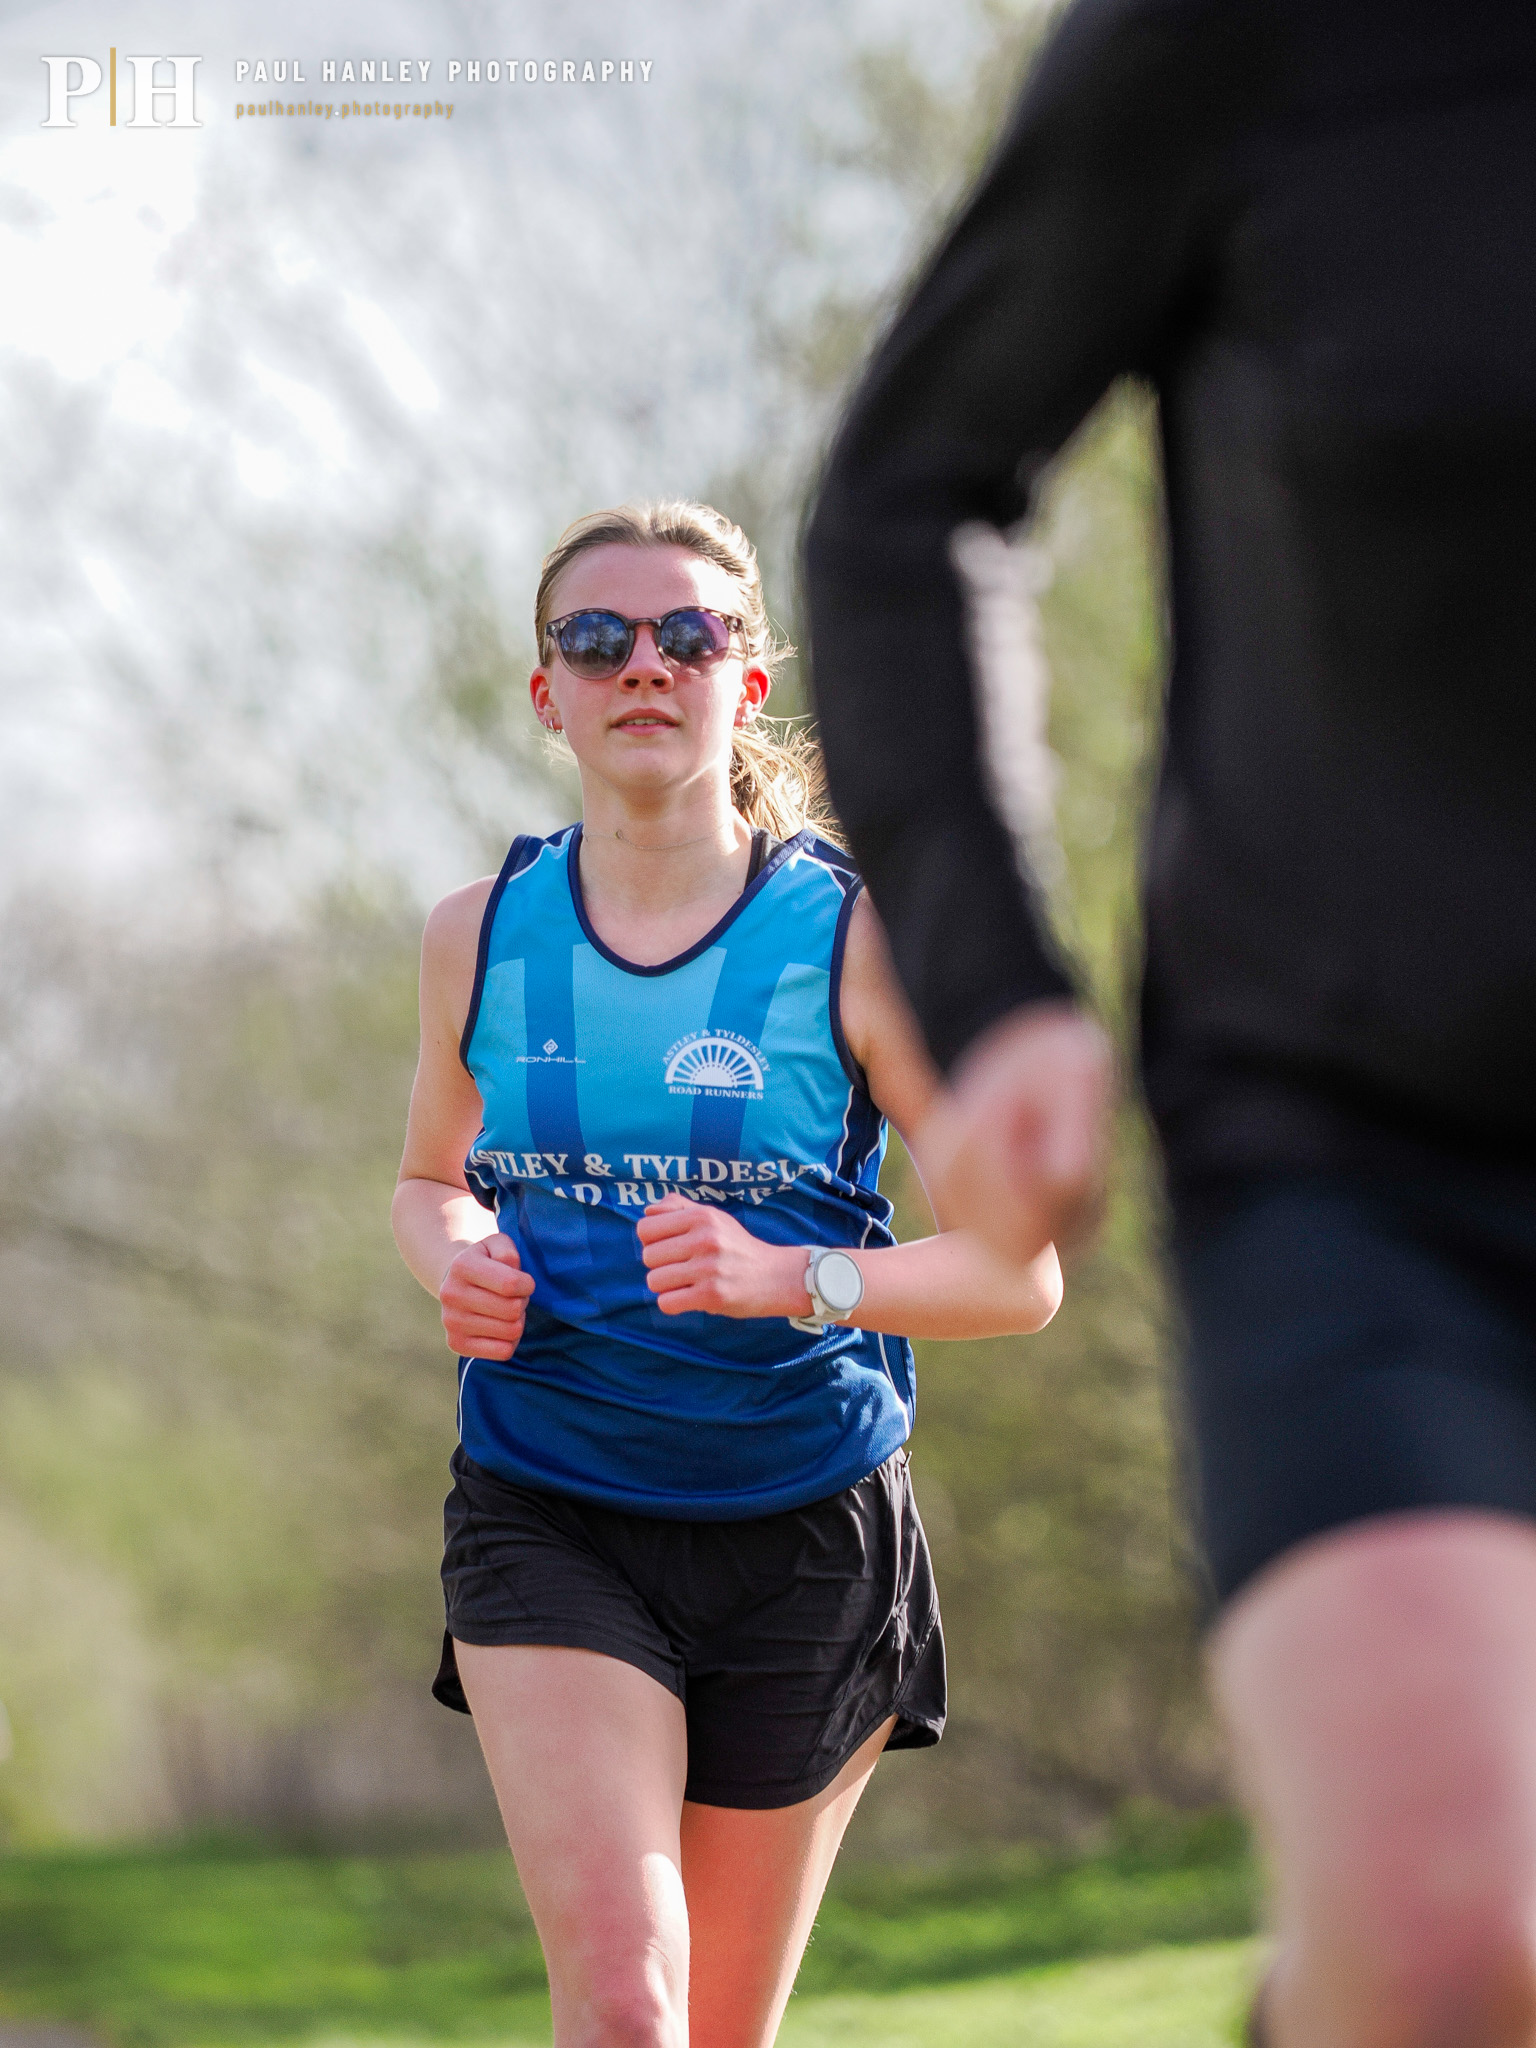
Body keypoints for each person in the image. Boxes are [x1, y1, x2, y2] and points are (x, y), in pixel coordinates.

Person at [802, 3, 1536, 2043]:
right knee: (1449, 1938)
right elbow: (909, 491)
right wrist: (996, 988)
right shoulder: (1236, 42)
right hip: (1365, 1137)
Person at [391, 500, 1062, 2048]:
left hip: (806, 1534)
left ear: (745, 679)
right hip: (551, 1503)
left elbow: (1018, 1274)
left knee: (714, 2037)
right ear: (544, 688)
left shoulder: (854, 944)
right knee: (628, 2004)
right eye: (598, 638)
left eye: (689, 634)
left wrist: (797, 1279)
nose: (646, 665)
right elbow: (432, 1182)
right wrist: (459, 1255)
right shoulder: (475, 937)